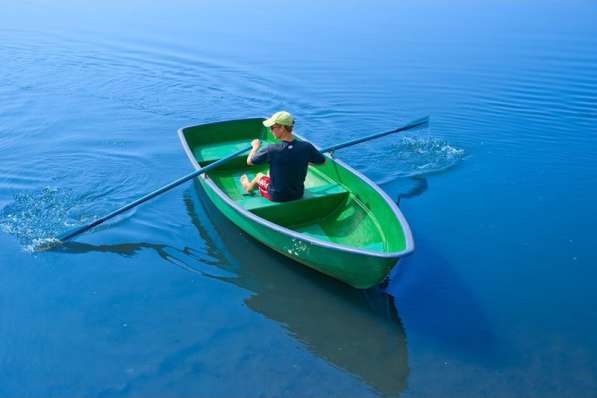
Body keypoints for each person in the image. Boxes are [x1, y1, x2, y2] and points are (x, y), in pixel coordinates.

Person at [240, 111, 326, 202]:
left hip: (277, 196)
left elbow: (249, 161)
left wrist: (255, 147)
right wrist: (301, 160)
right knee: (271, 173)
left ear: (282, 128)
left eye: (272, 127)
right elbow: (322, 162)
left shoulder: (272, 149)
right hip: (298, 194)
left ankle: (248, 187)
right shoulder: (306, 146)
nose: (270, 130)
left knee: (259, 176)